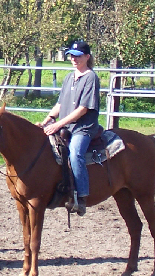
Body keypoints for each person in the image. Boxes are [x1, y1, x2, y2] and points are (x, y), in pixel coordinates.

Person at [36, 40, 100, 216]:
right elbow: (60, 104)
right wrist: (46, 120)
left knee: (75, 152)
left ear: (87, 57)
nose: (74, 59)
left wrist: (58, 124)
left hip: (83, 127)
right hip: (66, 125)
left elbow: (83, 109)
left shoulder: (90, 78)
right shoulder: (69, 78)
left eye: (78, 56)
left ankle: (81, 196)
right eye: (72, 56)